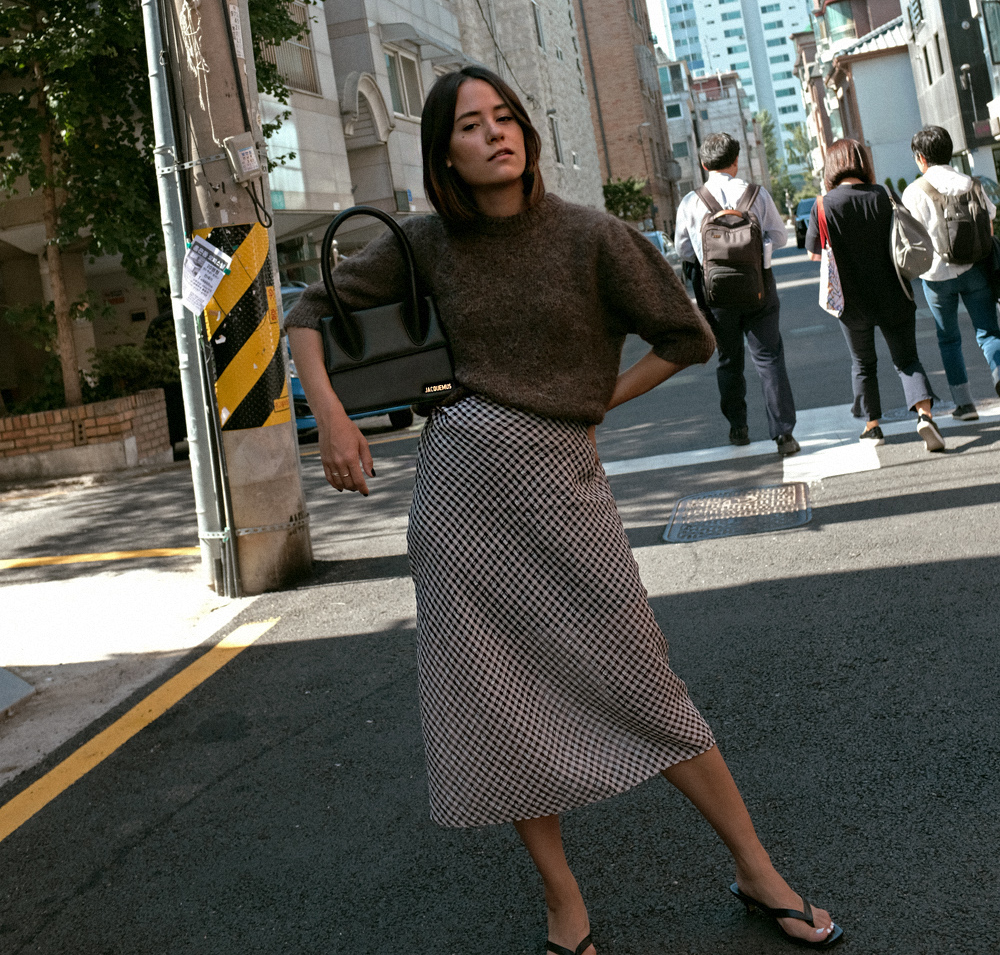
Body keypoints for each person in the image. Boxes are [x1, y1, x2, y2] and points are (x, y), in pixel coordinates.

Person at [287, 65, 842, 952]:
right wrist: (334, 419)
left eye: (505, 117)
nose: (495, 134)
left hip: (562, 483)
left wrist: (593, 404)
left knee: (643, 679)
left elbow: (686, 336)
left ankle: (756, 869)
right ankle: (562, 900)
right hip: (460, 495)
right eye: (470, 126)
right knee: (497, 700)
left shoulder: (593, 235)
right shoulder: (424, 242)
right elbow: (310, 310)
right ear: (444, 156)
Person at [805, 137, 944, 451]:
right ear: (863, 163)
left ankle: (873, 426)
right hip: (894, 291)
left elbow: (815, 253)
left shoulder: (823, 205)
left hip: (851, 302)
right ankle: (924, 415)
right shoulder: (885, 194)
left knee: (863, 364)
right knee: (907, 359)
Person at [673, 133, 800, 455]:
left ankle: (738, 429)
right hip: (759, 287)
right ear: (736, 161)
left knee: (729, 359)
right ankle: (783, 434)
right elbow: (780, 237)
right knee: (769, 358)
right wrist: (757, 255)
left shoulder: (691, 201)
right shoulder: (756, 194)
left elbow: (683, 250)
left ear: (704, 164)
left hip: (715, 294)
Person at [901, 125, 999, 420]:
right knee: (989, 332)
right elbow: (990, 218)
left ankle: (966, 404)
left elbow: (910, 237)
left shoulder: (915, 191)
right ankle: (998, 373)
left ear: (921, 158)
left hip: (936, 276)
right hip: (976, 268)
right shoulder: (971, 183)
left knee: (949, 339)